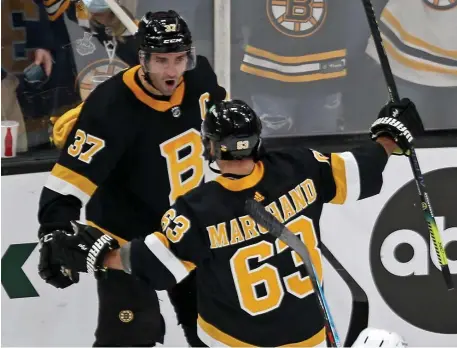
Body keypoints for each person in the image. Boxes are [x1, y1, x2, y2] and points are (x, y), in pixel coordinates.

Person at [42, 97, 424, 347]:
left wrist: (97, 254)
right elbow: (361, 170)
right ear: (257, 140)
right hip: (307, 334)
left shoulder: (197, 209)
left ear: (210, 146)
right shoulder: (301, 166)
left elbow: (150, 266)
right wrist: (388, 136)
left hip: (230, 340)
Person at [37, 10, 226, 347]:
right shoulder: (110, 106)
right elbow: (68, 180)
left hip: (188, 230)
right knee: (131, 334)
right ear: (143, 59)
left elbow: (223, 129)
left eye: (180, 59)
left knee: (214, 331)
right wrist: (54, 233)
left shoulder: (201, 80)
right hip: (126, 240)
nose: (171, 71)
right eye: (161, 60)